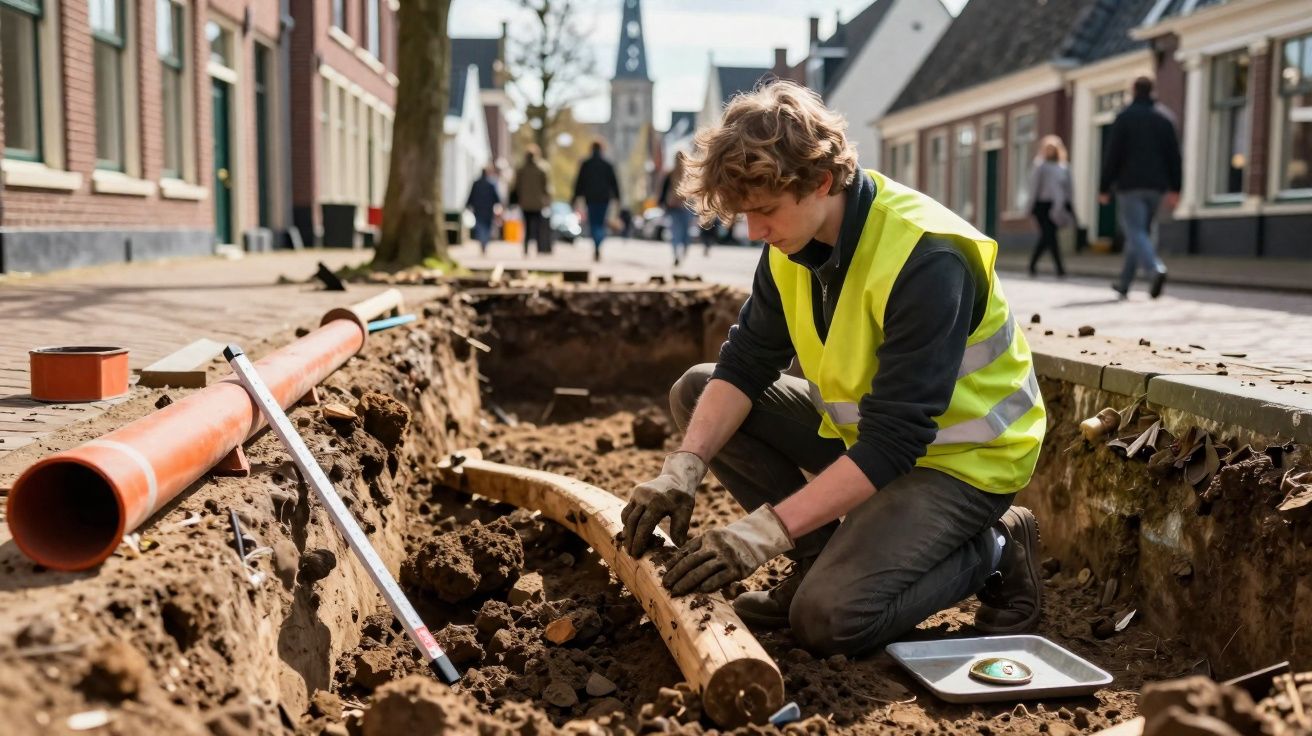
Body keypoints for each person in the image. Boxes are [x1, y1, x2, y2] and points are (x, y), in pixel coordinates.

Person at [617, 81, 1047, 657]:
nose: (755, 232)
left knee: (828, 620)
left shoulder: (928, 257)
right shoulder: (792, 242)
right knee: (698, 391)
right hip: (871, 441)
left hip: (964, 462)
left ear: (822, 180)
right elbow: (745, 363)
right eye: (746, 215)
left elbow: (895, 443)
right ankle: (816, 559)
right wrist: (682, 470)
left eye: (765, 211)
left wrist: (759, 535)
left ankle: (994, 546)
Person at [1099, 76, 1181, 299]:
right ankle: (1125, 283)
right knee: (1142, 232)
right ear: (1153, 90)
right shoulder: (1165, 119)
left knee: (1135, 231)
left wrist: (1104, 187)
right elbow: (1175, 156)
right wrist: (1176, 187)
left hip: (1130, 185)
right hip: (1157, 186)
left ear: (1134, 90)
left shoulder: (1124, 118)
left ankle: (1155, 270)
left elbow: (1112, 155)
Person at [1027, 135, 1073, 277]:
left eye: (1052, 149)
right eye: (1047, 149)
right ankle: (1060, 269)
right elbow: (1034, 187)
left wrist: (1069, 204)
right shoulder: (1040, 166)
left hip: (1057, 206)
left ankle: (1033, 265)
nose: (1050, 152)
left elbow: (1069, 188)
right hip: (1042, 205)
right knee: (1050, 236)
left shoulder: (1064, 167)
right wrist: (1030, 206)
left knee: (1047, 237)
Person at [572, 141, 621, 262]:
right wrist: (617, 197)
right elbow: (614, 183)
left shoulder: (586, 164)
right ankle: (599, 242)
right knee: (600, 222)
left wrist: (574, 197)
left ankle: (597, 243)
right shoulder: (607, 165)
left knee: (593, 223)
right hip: (604, 199)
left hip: (591, 198)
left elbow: (579, 182)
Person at [512, 145, 553, 257]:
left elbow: (516, 186)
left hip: (524, 202)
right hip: (538, 203)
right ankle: (539, 249)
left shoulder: (521, 169)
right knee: (538, 227)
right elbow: (546, 186)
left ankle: (525, 247)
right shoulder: (542, 168)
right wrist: (548, 198)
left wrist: (516, 198)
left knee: (527, 226)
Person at [661, 152, 693, 266]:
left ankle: (676, 254)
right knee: (685, 233)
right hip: (685, 207)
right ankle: (683, 253)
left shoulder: (670, 173)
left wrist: (662, 204)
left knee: (675, 232)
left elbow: (663, 191)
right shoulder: (688, 174)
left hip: (673, 206)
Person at [466, 165, 502, 255]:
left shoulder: (476, 183)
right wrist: (498, 204)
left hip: (477, 208)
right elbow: (496, 198)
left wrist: (467, 205)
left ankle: (482, 242)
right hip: (488, 209)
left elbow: (471, 195)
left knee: (480, 226)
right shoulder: (491, 184)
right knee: (487, 227)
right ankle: (484, 242)